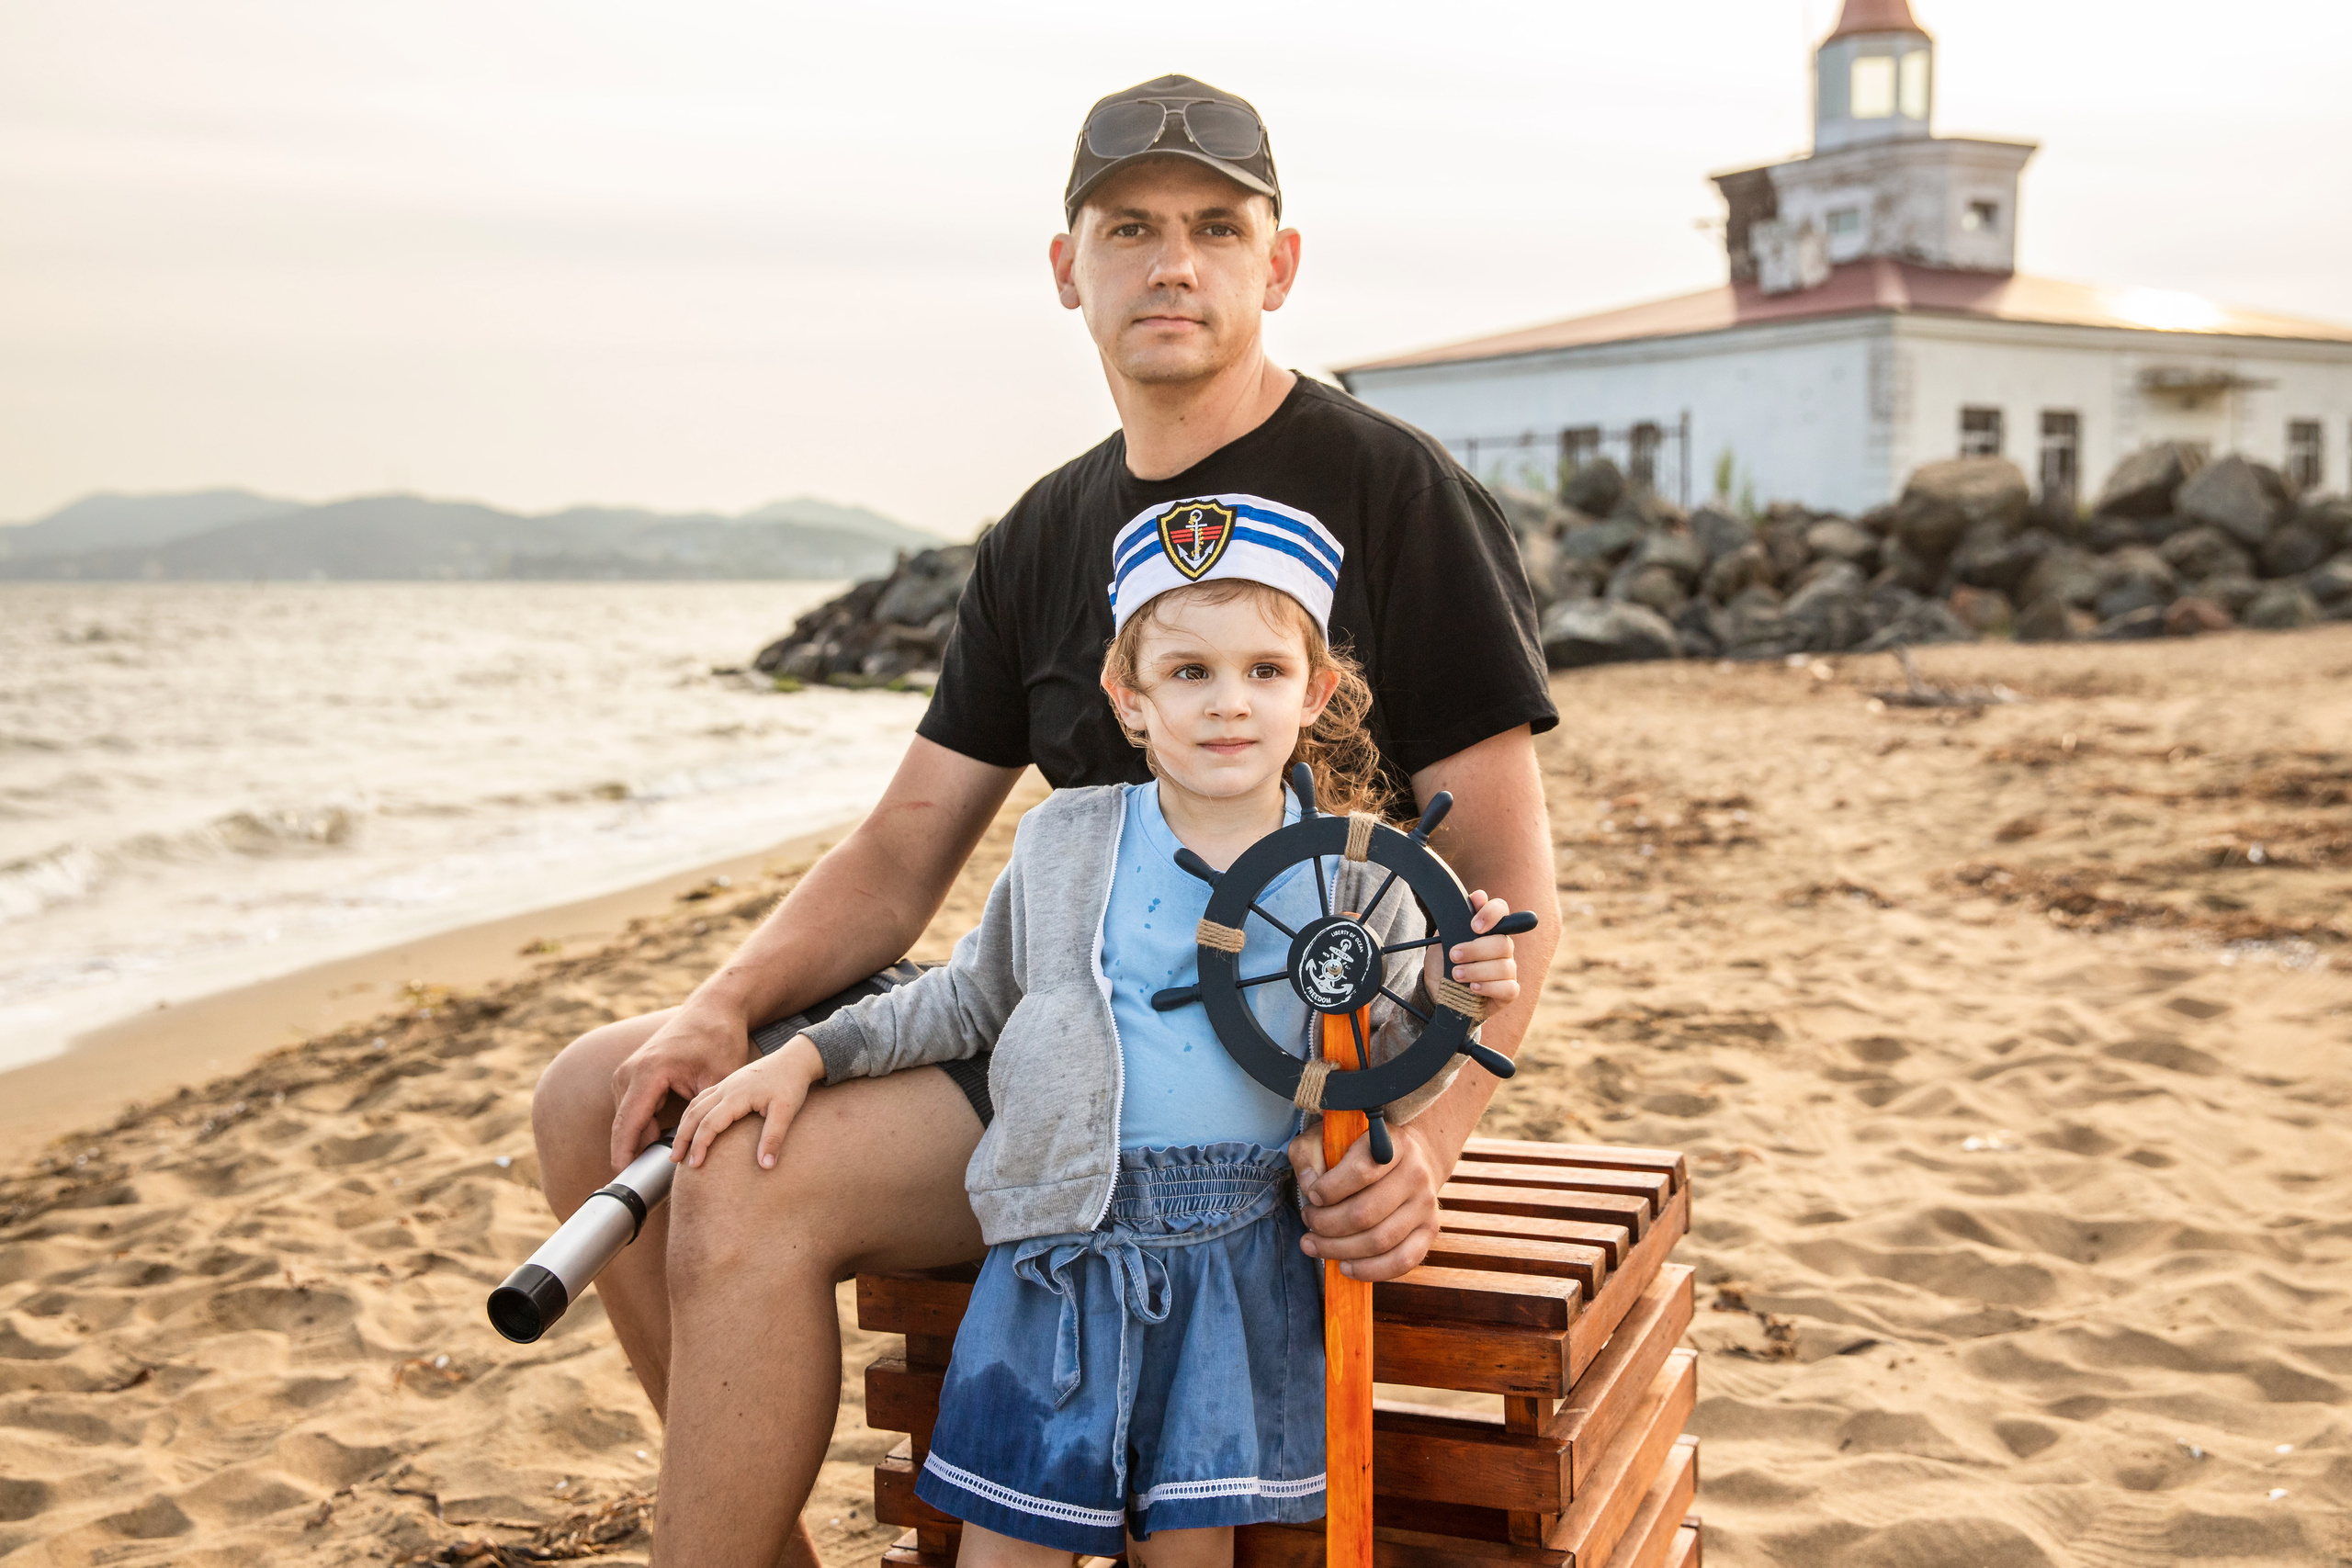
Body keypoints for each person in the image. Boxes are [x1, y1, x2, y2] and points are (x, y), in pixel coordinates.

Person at [526, 73, 1562, 1565]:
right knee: (598, 1090)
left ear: (1277, 265)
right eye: (1130, 227)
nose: (1172, 262)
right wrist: (722, 1005)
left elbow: (1511, 890)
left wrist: (1432, 1141)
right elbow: (899, 857)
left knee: (741, 1195)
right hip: (1058, 1029)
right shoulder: (1041, 531)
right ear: (1069, 268)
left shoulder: (1393, 490)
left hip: (1251, 1094)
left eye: (1217, 227)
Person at [666, 536, 1524, 1566]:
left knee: (1190, 1556)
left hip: (1236, 1259)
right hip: (1058, 1246)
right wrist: (808, 1055)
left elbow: (1383, 1076)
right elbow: (967, 1000)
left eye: (1264, 671)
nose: (1227, 703)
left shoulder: (1365, 881)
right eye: (1188, 672)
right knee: (1003, 1549)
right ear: (1128, 697)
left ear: (1315, 692)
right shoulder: (1064, 841)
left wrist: (1449, 996)